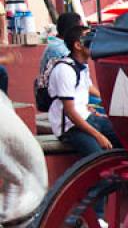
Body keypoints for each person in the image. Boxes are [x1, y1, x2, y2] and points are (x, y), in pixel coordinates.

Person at [47, 25, 121, 156]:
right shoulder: (65, 70)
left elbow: (87, 87)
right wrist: (98, 136)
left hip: (88, 117)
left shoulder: (82, 66)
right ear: (78, 45)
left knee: (127, 136)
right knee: (98, 158)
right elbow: (70, 113)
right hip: (72, 127)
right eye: (89, 39)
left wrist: (103, 103)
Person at [39, 12, 104, 113]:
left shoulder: (58, 45)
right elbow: (85, 86)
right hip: (62, 99)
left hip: (73, 93)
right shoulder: (61, 50)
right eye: (81, 28)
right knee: (107, 109)